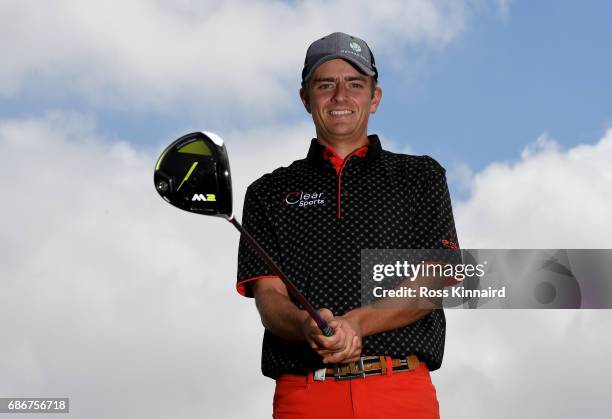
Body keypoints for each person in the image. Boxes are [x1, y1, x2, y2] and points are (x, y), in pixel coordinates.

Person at [236, 32, 459, 419]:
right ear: (306, 98)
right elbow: (268, 297)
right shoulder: (268, 192)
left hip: (400, 390)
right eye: (326, 85)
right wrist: (305, 324)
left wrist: (356, 323)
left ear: (375, 97)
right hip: (305, 395)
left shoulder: (420, 176)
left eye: (355, 84)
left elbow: (439, 274)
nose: (341, 97)